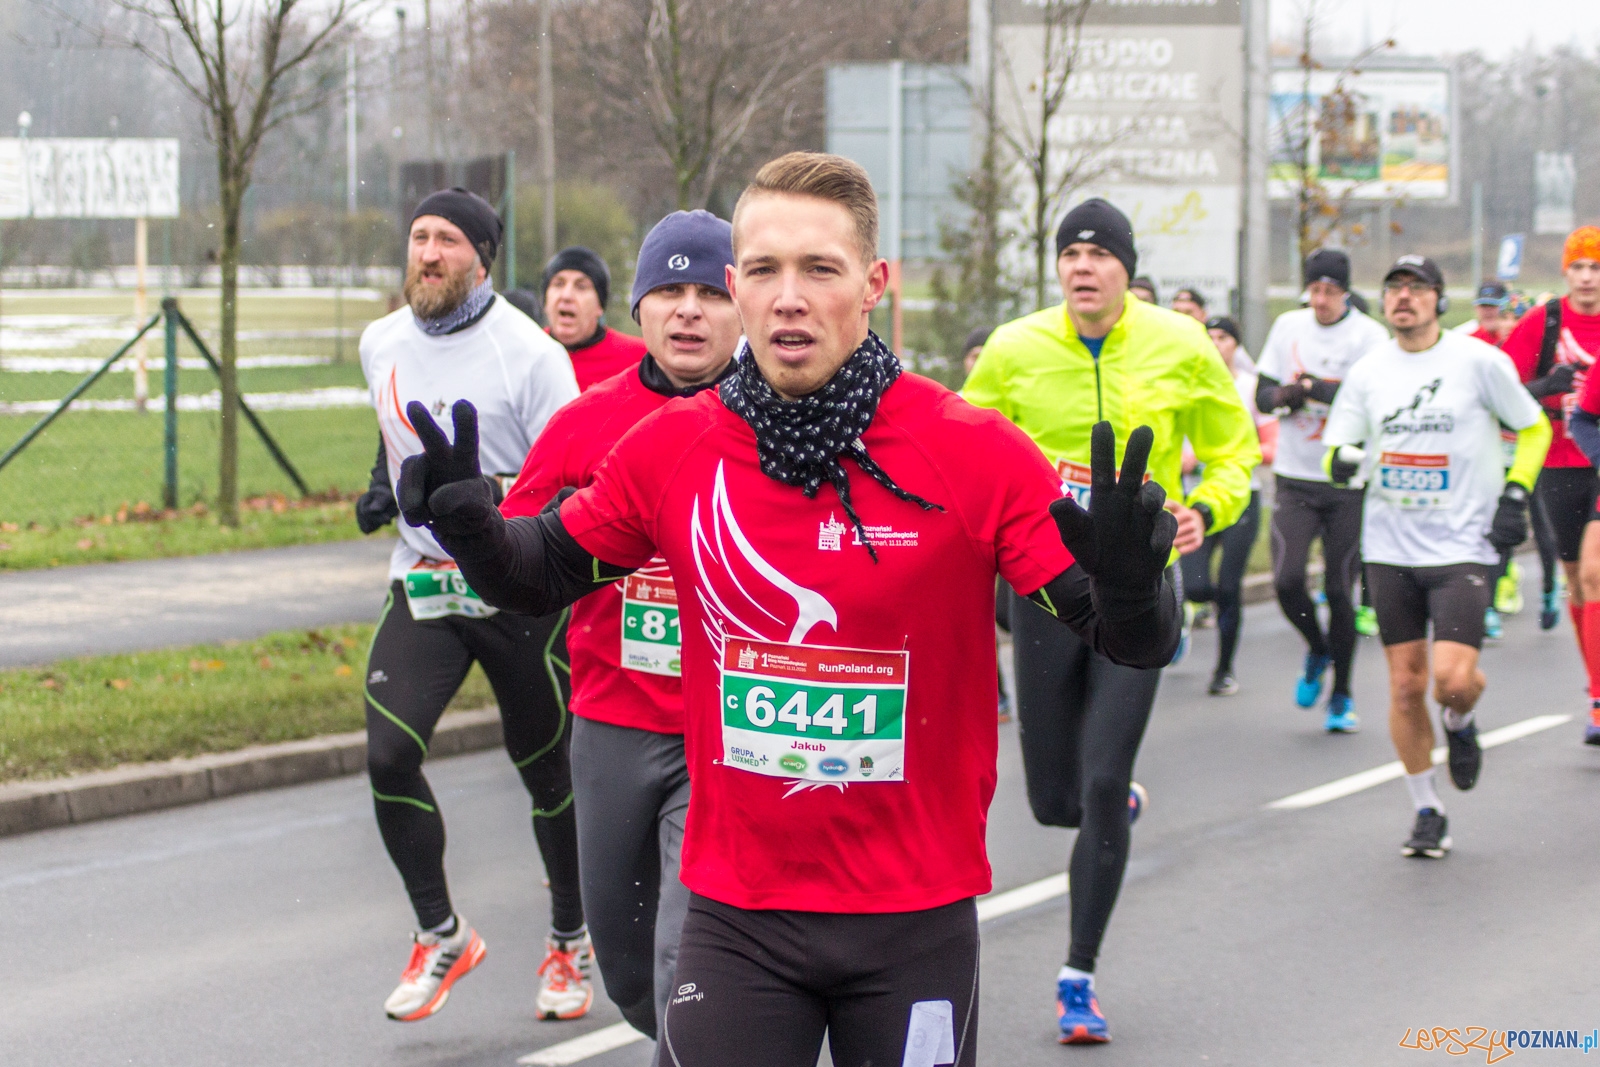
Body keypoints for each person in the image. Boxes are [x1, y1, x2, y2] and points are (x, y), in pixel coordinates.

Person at [393, 151, 1180, 1067]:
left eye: (820, 269)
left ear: (874, 284)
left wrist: (1133, 584)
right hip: (738, 918)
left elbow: (1129, 638)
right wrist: (479, 530)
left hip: (911, 919)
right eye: (764, 270)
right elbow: (543, 572)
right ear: (737, 286)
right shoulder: (676, 446)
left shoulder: (970, 450)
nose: (788, 296)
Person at [964, 197, 1258, 1043]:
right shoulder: (1017, 349)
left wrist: (1208, 505)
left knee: (1096, 786)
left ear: (1126, 268)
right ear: (1056, 269)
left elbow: (1236, 447)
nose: (1083, 266)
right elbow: (969, 447)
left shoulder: (1179, 343)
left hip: (1140, 588)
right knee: (1055, 800)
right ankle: (1107, 799)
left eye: (1099, 253)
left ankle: (1077, 974)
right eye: (1070, 254)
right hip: (1047, 590)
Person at [501, 210, 741, 1051]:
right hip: (611, 714)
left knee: (686, 955)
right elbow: (517, 548)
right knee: (631, 968)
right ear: (636, 308)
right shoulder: (586, 420)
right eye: (668, 291)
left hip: (725, 726)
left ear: (741, 306)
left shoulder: (774, 423)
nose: (688, 310)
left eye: (710, 292)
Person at [355, 188, 592, 1024]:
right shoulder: (378, 339)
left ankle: (570, 938)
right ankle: (442, 932)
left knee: (549, 771)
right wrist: (388, 486)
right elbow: (394, 435)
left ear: (483, 257)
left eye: (447, 240)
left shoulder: (529, 355)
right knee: (388, 755)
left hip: (519, 586)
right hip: (423, 581)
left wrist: (485, 498)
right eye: (418, 236)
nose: (427, 253)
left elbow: (572, 481)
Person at [1323, 254, 1550, 858]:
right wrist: (1343, 461)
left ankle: (1459, 721)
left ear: (1437, 300)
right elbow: (1337, 447)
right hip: (1390, 548)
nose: (1403, 297)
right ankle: (1427, 808)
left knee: (1450, 682)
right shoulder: (1369, 371)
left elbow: (1534, 428)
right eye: (1394, 287)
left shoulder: (1477, 362)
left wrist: (1517, 492)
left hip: (1463, 543)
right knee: (1404, 687)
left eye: (1417, 288)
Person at [1255, 248, 1390, 732]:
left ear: (1346, 292)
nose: (1322, 300)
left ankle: (1343, 694)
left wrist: (1313, 388)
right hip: (1295, 476)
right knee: (1288, 580)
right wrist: (1285, 395)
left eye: (1331, 291)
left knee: (1340, 589)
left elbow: (1370, 395)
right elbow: (1263, 395)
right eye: (1315, 290)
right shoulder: (1289, 327)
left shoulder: (1369, 337)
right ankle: (1317, 648)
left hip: (1347, 480)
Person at [1504, 227, 1600, 699]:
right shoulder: (1543, 322)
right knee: (1576, 583)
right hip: (1559, 461)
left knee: (1594, 572)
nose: (1587, 277)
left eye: (1596, 267)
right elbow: (1502, 394)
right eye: (1578, 267)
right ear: (1565, 271)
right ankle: (1595, 683)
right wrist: (1548, 386)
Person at [1182, 315, 1277, 695]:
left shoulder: (1251, 388)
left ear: (1237, 345)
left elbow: (1273, 446)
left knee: (1230, 585)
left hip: (1241, 498)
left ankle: (1224, 669)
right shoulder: (1185, 383)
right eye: (1210, 336)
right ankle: (1183, 619)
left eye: (1224, 337)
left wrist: (1231, 458)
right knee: (1197, 585)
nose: (1216, 343)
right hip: (1192, 499)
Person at [961, 324, 1015, 721]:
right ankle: (996, 692)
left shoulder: (1012, 402)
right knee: (981, 614)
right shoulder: (953, 404)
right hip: (971, 529)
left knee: (1004, 617)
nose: (978, 360)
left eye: (985, 352)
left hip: (1008, 525)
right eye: (973, 353)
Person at [542, 245, 649, 390]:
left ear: (600, 305)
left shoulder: (641, 358)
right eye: (558, 284)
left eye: (581, 286)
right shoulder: (526, 353)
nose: (566, 296)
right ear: (545, 301)